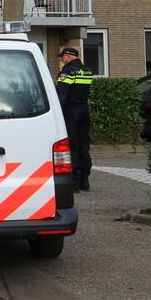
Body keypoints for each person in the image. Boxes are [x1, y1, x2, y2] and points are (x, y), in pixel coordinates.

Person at [56, 46, 94, 192]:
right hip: (84, 110)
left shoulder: (68, 71)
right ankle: (85, 179)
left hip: (71, 112)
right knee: (84, 145)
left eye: (63, 57)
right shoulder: (87, 71)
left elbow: (62, 94)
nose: (62, 59)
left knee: (73, 145)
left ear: (68, 56)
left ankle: (75, 181)